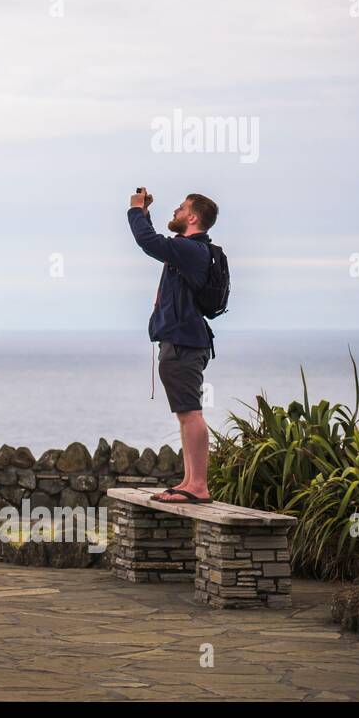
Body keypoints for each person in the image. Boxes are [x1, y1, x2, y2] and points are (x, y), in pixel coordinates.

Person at [126, 188, 219, 504]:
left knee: (191, 413)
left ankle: (198, 486)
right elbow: (156, 242)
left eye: (181, 208)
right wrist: (147, 214)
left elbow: (149, 243)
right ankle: (190, 481)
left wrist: (136, 211)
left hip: (184, 343)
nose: (176, 211)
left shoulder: (190, 249)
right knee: (185, 413)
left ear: (192, 217)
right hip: (183, 342)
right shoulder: (189, 250)